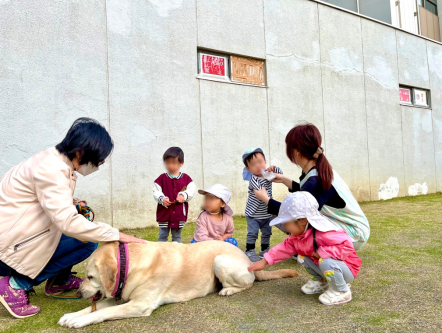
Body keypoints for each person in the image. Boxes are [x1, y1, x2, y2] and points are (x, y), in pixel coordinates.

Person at [0, 118, 146, 318]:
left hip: (16, 235)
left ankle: (60, 281)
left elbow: (44, 199)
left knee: (80, 234)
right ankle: (14, 285)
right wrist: (116, 234)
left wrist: (74, 202)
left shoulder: (54, 162)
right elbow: (67, 222)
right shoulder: (51, 169)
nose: (100, 163)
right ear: (80, 152)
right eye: (99, 159)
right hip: (10, 246)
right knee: (85, 242)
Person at [253, 124, 370, 250]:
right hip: (351, 227)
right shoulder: (317, 170)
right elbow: (308, 196)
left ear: (296, 152)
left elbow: (293, 212)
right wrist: (284, 180)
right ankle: (307, 248)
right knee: (287, 215)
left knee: (285, 216)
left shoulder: (315, 181)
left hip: (354, 233)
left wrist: (266, 199)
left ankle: (312, 251)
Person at [248, 192, 361, 305]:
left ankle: (341, 290)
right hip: (327, 267)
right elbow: (284, 247)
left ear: (302, 220)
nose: (285, 226)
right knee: (301, 257)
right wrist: (264, 261)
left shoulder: (324, 233)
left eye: (287, 222)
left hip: (346, 268)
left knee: (326, 262)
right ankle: (322, 281)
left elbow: (347, 245)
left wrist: (322, 253)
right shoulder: (297, 236)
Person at [242, 148, 283, 262]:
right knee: (253, 232)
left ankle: (264, 250)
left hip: (266, 213)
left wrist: (274, 169)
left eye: (260, 162)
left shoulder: (267, 174)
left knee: (267, 232)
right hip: (253, 214)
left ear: (265, 162)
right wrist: (269, 175)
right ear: (248, 168)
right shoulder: (253, 179)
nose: (258, 165)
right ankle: (249, 250)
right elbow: (260, 192)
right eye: (253, 164)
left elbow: (280, 175)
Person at [153, 147, 196, 243]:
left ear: (181, 163)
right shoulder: (162, 178)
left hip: (179, 214)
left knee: (176, 237)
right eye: (167, 162)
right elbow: (156, 191)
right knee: (162, 236)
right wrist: (162, 199)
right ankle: (161, 253)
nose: (170, 165)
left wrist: (183, 195)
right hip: (165, 213)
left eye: (173, 162)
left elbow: (191, 190)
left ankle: (176, 255)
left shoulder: (186, 178)